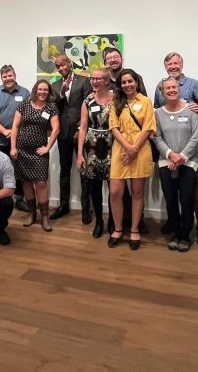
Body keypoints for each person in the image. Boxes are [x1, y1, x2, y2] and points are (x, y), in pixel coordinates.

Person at [152, 52, 198, 243]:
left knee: (190, 194)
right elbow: (157, 128)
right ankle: (176, 227)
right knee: (171, 197)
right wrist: (170, 154)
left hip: (189, 155)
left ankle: (197, 226)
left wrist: (182, 156)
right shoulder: (159, 94)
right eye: (170, 63)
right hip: (168, 154)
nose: (173, 66)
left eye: (176, 63)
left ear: (182, 64)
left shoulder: (194, 86)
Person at [107, 69, 156, 251]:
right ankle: (118, 229)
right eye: (124, 82)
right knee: (115, 192)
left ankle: (134, 230)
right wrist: (128, 148)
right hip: (121, 150)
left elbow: (148, 127)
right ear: (120, 85)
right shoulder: (116, 103)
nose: (127, 85)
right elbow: (113, 126)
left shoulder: (145, 101)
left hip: (141, 150)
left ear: (136, 82)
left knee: (137, 192)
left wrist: (134, 148)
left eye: (130, 81)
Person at [11, 79, 60, 232]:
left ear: (49, 92)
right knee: (26, 182)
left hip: (39, 152)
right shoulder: (25, 104)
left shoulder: (51, 107)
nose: (42, 92)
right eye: (40, 89)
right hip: (22, 150)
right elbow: (15, 126)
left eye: (45, 90)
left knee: (41, 183)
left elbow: (56, 129)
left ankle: (44, 217)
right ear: (35, 90)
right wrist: (13, 147)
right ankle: (32, 214)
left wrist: (47, 148)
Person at [0, 64, 31, 213]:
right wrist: (4, 131)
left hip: (19, 140)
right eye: (5, 76)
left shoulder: (25, 92)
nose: (8, 78)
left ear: (15, 75)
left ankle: (19, 199)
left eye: (10, 75)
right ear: (2, 78)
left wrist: (15, 132)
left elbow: (28, 114)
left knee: (19, 170)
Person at [50, 54, 91, 220]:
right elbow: (54, 107)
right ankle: (63, 205)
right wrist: (61, 93)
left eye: (63, 64)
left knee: (84, 171)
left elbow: (88, 105)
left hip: (80, 133)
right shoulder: (56, 85)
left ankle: (86, 210)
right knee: (64, 171)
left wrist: (81, 128)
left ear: (70, 63)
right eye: (58, 66)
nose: (61, 68)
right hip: (63, 134)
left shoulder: (84, 81)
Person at [76, 68, 113, 238]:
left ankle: (114, 220)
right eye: (93, 79)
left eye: (99, 79)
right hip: (91, 149)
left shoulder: (116, 99)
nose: (95, 81)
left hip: (112, 147)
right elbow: (83, 127)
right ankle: (99, 221)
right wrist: (79, 154)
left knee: (114, 188)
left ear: (106, 80)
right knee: (95, 188)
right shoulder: (87, 102)